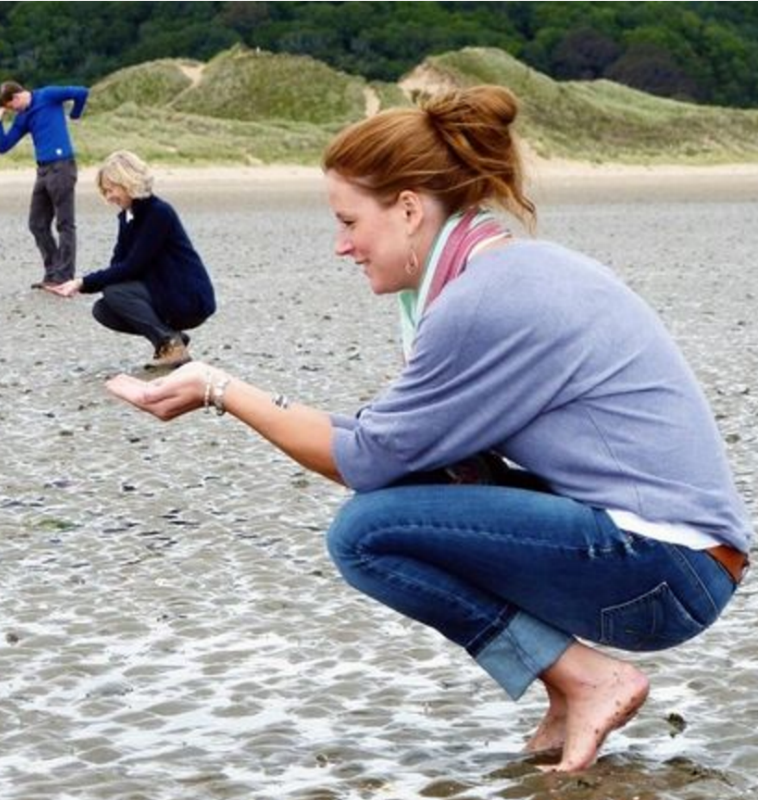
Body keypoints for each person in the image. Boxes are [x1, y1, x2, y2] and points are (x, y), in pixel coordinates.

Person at [104, 86, 752, 772]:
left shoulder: (483, 299)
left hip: (666, 572)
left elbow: (364, 460)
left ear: (409, 209)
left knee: (365, 534)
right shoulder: (502, 270)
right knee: (423, 490)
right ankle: (570, 689)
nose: (341, 245)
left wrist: (218, 388)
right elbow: (392, 445)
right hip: (682, 560)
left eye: (349, 221)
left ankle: (587, 678)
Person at [46, 150, 216, 369]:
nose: (108, 197)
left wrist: (82, 282)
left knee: (115, 292)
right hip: (163, 293)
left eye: (111, 189)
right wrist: (82, 285)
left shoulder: (158, 212)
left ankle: (170, 345)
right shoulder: (128, 216)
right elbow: (118, 265)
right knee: (103, 309)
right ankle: (172, 341)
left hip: (188, 298)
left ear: (128, 182)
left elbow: (133, 266)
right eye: (105, 191)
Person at [0, 80, 89, 288]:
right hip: (43, 171)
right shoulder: (23, 116)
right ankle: (53, 272)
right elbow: (3, 146)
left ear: (16, 97)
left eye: (11, 107)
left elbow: (81, 92)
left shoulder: (48, 95)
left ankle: (64, 276)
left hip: (62, 167)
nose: (14, 111)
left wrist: (75, 115)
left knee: (65, 224)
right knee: (36, 223)